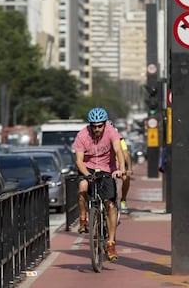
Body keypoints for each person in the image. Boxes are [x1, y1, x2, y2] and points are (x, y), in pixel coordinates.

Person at [73, 107, 125, 261]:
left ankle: (110, 243)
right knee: (82, 187)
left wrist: (121, 169)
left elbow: (118, 151)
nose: (97, 129)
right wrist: (87, 175)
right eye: (94, 126)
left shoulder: (111, 132)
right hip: (88, 168)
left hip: (107, 169)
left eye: (100, 126)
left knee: (110, 205)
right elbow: (79, 160)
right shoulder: (82, 135)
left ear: (104, 124)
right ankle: (83, 218)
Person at [119, 137, 133, 214]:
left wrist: (129, 169)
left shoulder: (119, 139)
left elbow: (126, 153)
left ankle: (123, 199)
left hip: (118, 163)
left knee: (126, 178)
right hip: (105, 164)